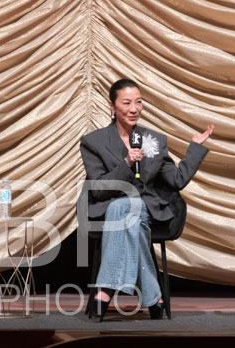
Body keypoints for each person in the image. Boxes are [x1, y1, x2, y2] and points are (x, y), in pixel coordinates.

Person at [80, 79, 213, 320]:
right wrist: (126, 164)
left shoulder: (155, 139)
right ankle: (153, 295)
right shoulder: (94, 142)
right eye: (127, 103)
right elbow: (98, 189)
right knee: (126, 212)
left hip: (148, 208)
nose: (134, 109)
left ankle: (106, 288)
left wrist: (194, 149)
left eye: (138, 102)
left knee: (127, 208)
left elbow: (176, 180)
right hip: (110, 208)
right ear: (112, 106)